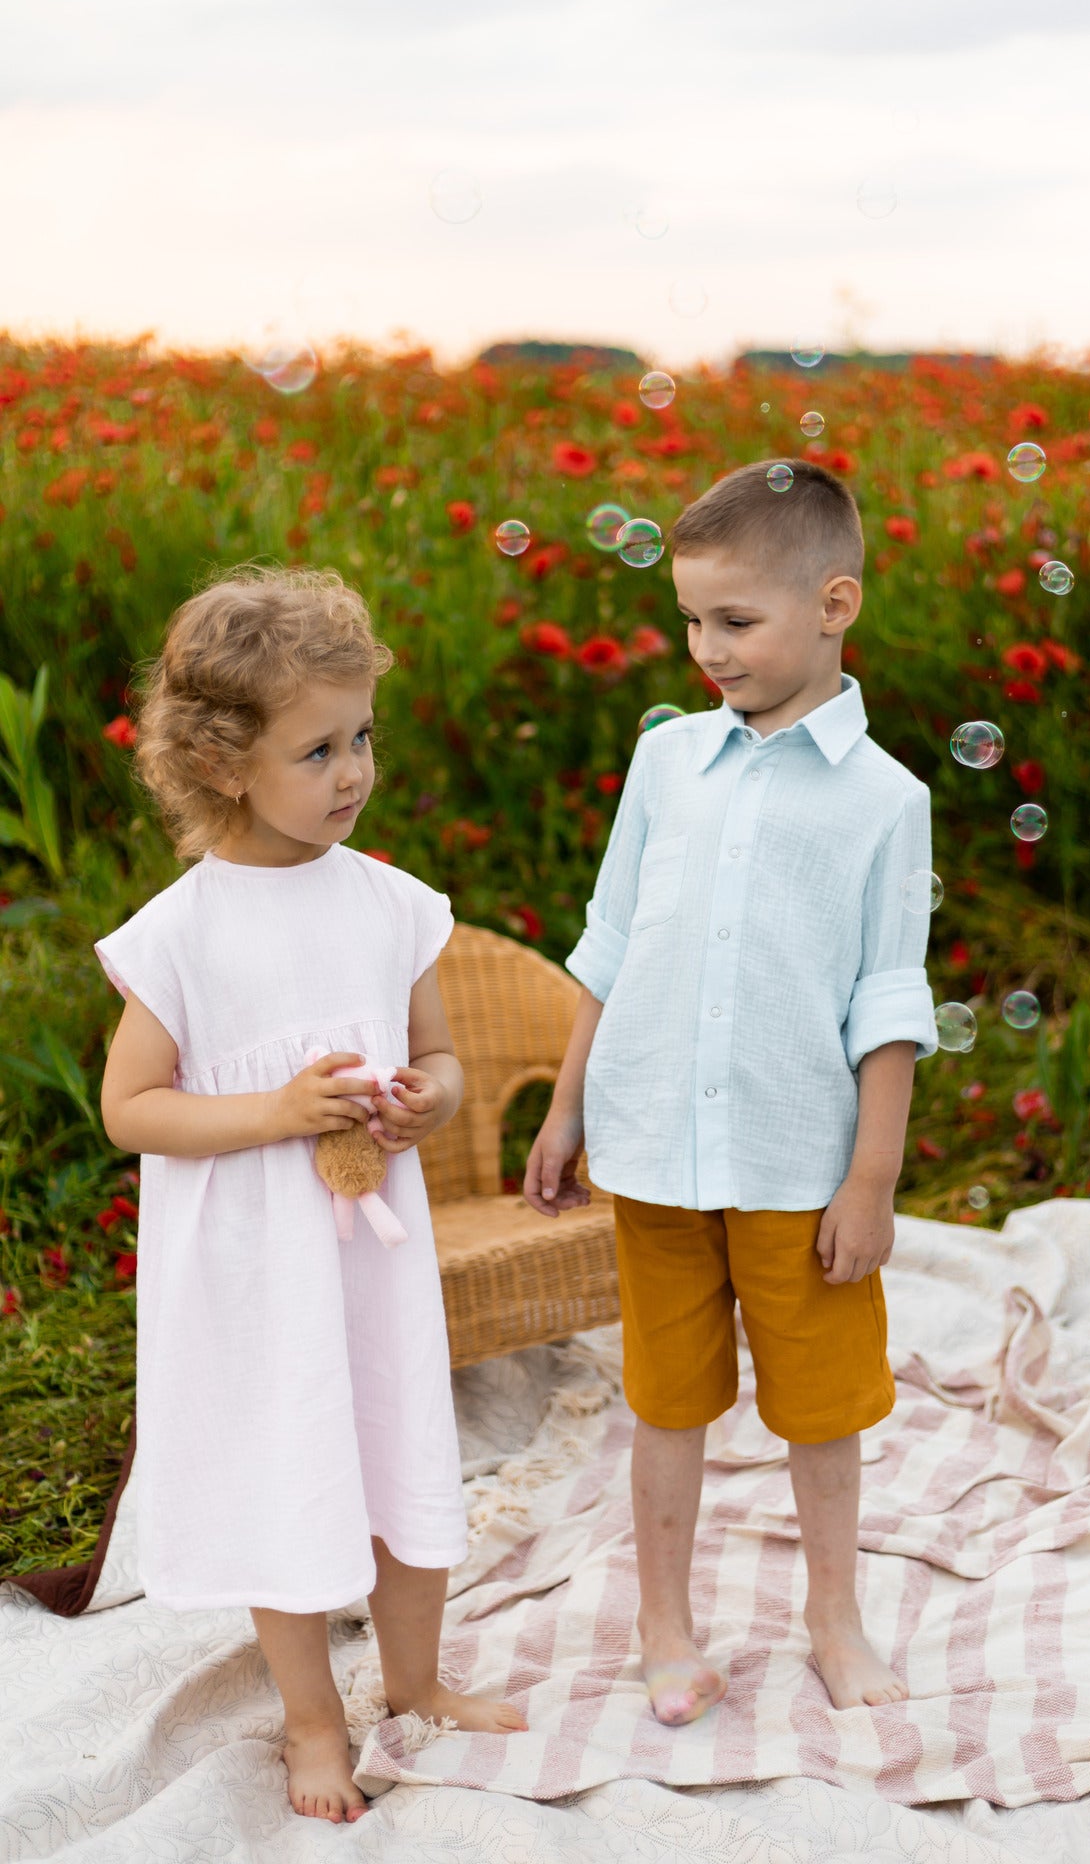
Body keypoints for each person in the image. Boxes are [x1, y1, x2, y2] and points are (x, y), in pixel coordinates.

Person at [94, 563, 524, 1827]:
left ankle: (415, 1676)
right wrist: (277, 1111)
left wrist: (427, 1099)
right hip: (253, 1269)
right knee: (292, 1466)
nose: (352, 771)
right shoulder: (183, 935)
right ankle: (312, 1718)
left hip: (368, 1260)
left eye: (363, 738)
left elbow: (437, 1055)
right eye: (317, 747)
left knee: (399, 1446)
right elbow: (133, 1109)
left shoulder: (390, 903)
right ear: (225, 761)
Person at [524, 459, 938, 1726]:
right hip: (652, 1146)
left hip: (793, 1161)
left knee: (820, 1408)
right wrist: (565, 1104)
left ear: (834, 602)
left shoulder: (884, 798)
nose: (707, 647)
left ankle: (832, 1616)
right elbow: (610, 938)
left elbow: (887, 1001)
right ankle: (664, 1622)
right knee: (667, 1397)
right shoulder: (667, 765)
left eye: (736, 620)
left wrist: (868, 1178)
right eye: (694, 619)